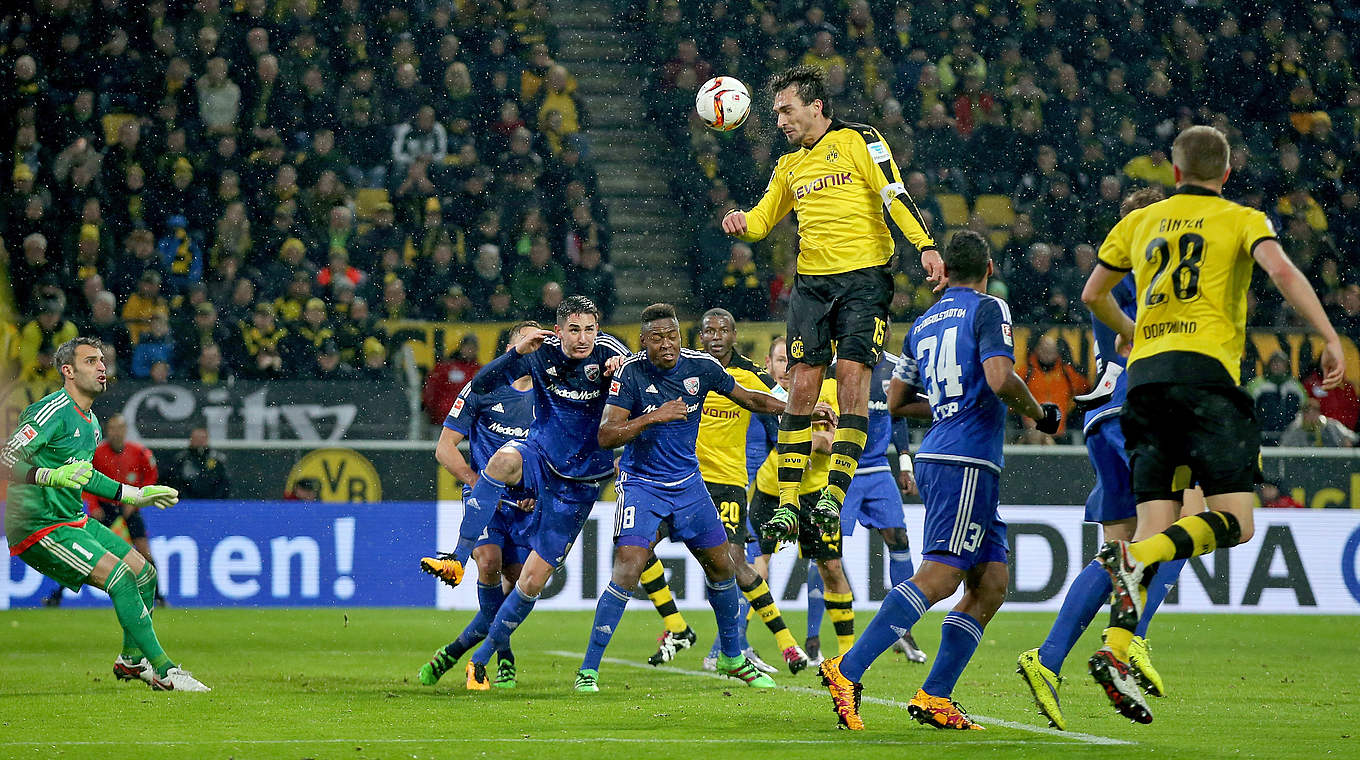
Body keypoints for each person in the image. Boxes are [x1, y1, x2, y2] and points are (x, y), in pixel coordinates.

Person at [1080, 125, 1344, 724]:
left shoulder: (1138, 222)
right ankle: (1132, 563)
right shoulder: (1242, 219)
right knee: (1237, 523)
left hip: (1143, 384)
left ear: (1173, 173)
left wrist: (1133, 332)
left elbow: (1093, 292)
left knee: (1154, 523)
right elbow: (1281, 274)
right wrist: (1328, 335)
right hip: (1205, 380)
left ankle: (1116, 649)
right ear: (1225, 174)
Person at [822, 230, 1060, 731]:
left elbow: (898, 398)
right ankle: (847, 669)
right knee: (942, 575)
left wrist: (950, 404)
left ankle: (935, 694)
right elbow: (999, 379)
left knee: (991, 582)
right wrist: (1038, 415)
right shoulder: (990, 308)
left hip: (945, 455)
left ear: (945, 271)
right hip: (965, 459)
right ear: (989, 268)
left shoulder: (924, 323)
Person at [721, 64, 941, 545]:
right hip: (812, 286)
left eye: (786, 109)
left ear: (815, 106)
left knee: (852, 381)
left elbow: (894, 193)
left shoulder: (860, 140)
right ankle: (788, 503)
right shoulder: (788, 166)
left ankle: (833, 495)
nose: (780, 120)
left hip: (864, 280)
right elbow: (762, 222)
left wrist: (924, 244)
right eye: (777, 112)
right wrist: (741, 221)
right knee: (800, 388)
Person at [1018, 187, 1193, 731]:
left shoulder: (1110, 275)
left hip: (1103, 422)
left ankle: (1046, 660)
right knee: (1192, 519)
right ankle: (1131, 641)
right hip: (1142, 414)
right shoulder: (1160, 272)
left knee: (1120, 553)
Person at [574, 303, 790, 692]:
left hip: (690, 486)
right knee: (628, 567)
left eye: (672, 335)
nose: (666, 344)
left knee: (723, 567)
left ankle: (731, 657)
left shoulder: (701, 367)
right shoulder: (631, 372)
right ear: (644, 342)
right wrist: (652, 416)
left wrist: (798, 410)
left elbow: (752, 400)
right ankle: (588, 669)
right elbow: (607, 435)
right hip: (642, 485)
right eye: (656, 338)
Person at [419, 295, 629, 690]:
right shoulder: (538, 355)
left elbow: (635, 392)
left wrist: (623, 372)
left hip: (581, 482)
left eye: (590, 328)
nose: (583, 338)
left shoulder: (611, 352)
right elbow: (480, 383)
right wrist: (515, 352)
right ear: (559, 329)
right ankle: (456, 559)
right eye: (574, 329)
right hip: (538, 457)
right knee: (498, 467)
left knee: (529, 582)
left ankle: (478, 660)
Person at [0, 337, 206, 691]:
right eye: (91, 361)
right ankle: (165, 670)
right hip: (40, 527)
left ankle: (129, 661)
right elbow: (6, 460)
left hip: (73, 520)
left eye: (103, 361)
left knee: (145, 574)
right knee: (122, 578)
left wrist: (136, 494)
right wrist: (47, 475)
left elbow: (87, 475)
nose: (102, 368)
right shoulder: (50, 411)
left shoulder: (92, 422)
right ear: (68, 370)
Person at [638, 309, 810, 675]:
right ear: (699, 337)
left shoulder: (753, 375)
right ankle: (677, 626)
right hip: (681, 481)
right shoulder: (681, 367)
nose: (716, 336)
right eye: (708, 331)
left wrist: (809, 412)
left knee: (734, 564)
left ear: (735, 335)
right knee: (636, 548)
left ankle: (775, 644)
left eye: (723, 330)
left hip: (729, 483)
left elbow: (781, 403)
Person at [418, 322, 540, 690]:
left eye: (540, 340)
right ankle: (500, 658)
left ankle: (454, 652)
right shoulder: (484, 388)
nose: (534, 346)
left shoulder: (553, 397)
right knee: (488, 564)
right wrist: (480, 484)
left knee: (520, 582)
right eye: (526, 339)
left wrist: (540, 489)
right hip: (485, 501)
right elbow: (444, 447)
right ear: (510, 347)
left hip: (527, 505)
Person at [829, 331, 927, 664]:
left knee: (898, 538)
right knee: (828, 549)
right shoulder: (837, 366)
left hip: (876, 469)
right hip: (842, 466)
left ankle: (903, 629)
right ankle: (817, 637)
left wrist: (904, 461)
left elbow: (897, 416)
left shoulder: (896, 369)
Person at [89, 414, 167, 608]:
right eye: (113, 428)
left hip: (129, 507)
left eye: (120, 428)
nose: (116, 432)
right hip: (105, 508)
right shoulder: (97, 453)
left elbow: (151, 477)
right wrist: (94, 506)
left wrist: (137, 499)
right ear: (107, 431)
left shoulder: (139, 452)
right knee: (87, 551)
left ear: (125, 430)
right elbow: (86, 480)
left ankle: (158, 596)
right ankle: (57, 595)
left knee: (144, 553)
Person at [161, 427, 231, 500]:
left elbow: (224, 482)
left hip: (212, 503)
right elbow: (175, 482)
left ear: (207, 440)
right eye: (197, 438)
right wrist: (186, 500)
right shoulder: (181, 459)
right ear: (191, 439)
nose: (200, 441)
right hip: (186, 503)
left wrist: (215, 501)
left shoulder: (218, 459)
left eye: (203, 438)